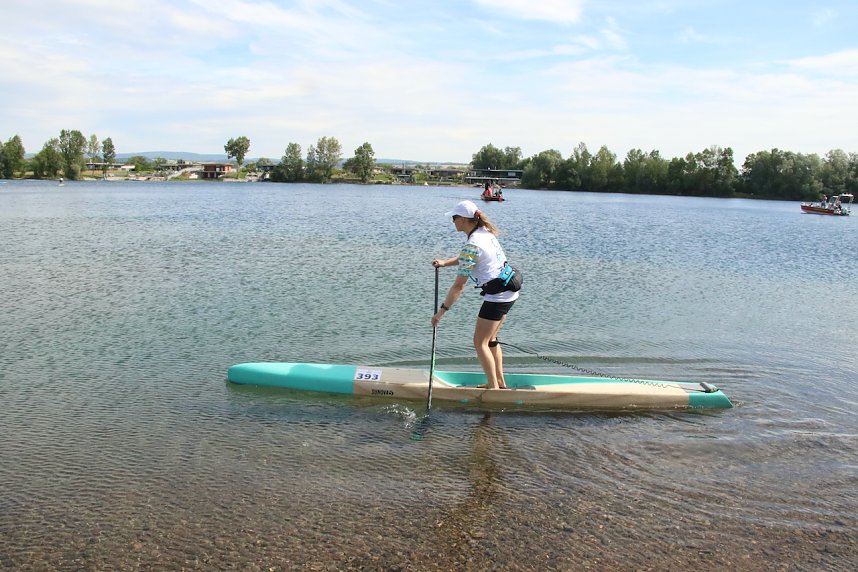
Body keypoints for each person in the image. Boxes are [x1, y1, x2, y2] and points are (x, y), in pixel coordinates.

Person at [431, 200, 519, 389]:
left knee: (480, 343)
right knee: (491, 339)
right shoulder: (484, 233)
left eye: (454, 218)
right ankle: (500, 382)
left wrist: (441, 312)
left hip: (498, 297)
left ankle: (493, 387)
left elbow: (458, 286)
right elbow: (468, 258)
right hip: (509, 292)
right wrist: (445, 263)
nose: (453, 221)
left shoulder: (473, 244)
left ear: (464, 219)